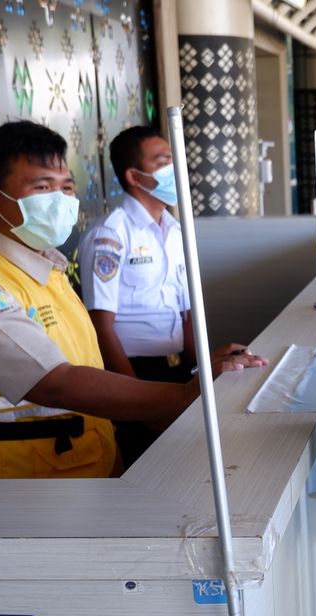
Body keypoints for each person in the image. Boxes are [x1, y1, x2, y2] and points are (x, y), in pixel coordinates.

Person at [0, 121, 265, 479]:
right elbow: (57, 382)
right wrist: (183, 395)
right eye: (43, 187)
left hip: (80, 467)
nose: (61, 199)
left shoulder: (46, 270)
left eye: (66, 187)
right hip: (20, 489)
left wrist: (198, 372)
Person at [79, 126, 264, 466]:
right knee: (145, 469)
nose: (175, 167)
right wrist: (135, 402)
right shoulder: (110, 233)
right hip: (132, 373)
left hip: (177, 368)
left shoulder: (175, 230)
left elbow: (187, 315)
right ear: (135, 176)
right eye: (164, 160)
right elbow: (100, 326)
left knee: (186, 464)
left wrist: (205, 370)